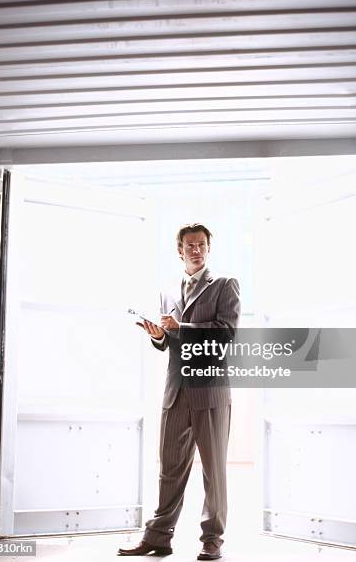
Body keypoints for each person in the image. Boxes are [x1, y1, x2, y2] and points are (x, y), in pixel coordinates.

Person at [118, 223, 240, 560]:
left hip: (211, 391)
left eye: (202, 244)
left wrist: (180, 328)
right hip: (175, 391)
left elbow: (226, 333)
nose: (196, 249)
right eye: (190, 245)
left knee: (213, 471)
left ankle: (212, 540)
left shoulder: (225, 284)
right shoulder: (168, 290)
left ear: (209, 248)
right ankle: (158, 536)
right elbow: (167, 343)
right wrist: (158, 334)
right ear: (179, 250)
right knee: (169, 468)